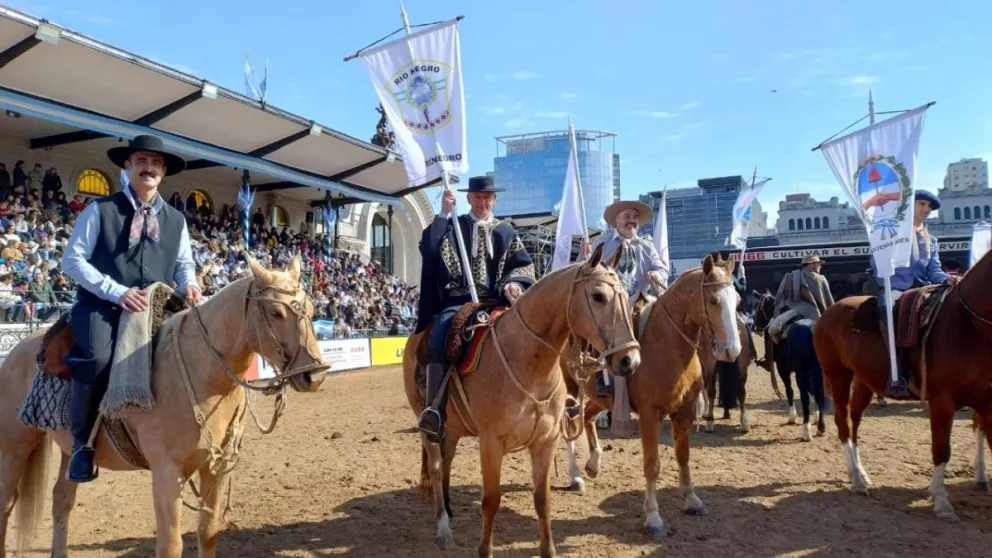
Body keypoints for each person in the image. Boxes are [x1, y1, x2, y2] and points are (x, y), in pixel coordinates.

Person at [61, 134, 202, 483]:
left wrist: (191, 284)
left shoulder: (176, 220)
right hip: (103, 305)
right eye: (141, 161)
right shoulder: (100, 210)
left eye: (155, 163)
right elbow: (72, 261)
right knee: (96, 358)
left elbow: (184, 264)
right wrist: (116, 291)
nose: (148, 168)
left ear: (163, 171)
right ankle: (82, 444)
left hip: (157, 305)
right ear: (128, 166)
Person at [414, 176, 536, 443]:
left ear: (495, 200)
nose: (483, 202)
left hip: (496, 300)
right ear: (468, 198)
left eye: (488, 198)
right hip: (457, 301)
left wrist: (513, 284)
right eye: (478, 197)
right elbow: (430, 248)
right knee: (439, 338)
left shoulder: (506, 231)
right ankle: (434, 409)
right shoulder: (453, 226)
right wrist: (443, 213)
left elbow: (523, 265)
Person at [872, 189, 959, 398]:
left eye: (929, 207)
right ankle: (897, 369)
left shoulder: (932, 240)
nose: (926, 209)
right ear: (909, 206)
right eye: (922, 204)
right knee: (887, 310)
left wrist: (948, 278)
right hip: (895, 286)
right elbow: (877, 264)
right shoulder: (889, 232)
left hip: (923, 287)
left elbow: (934, 270)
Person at [578, 199, 666, 397]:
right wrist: (584, 258)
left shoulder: (646, 245)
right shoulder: (601, 243)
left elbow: (661, 268)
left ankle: (657, 369)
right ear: (616, 221)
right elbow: (586, 270)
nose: (632, 221)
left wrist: (656, 275)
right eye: (627, 217)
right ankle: (601, 374)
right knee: (597, 326)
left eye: (635, 217)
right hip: (610, 301)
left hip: (640, 298)